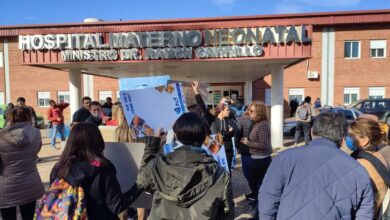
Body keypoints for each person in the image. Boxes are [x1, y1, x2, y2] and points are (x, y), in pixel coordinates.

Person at [258, 112, 374, 220]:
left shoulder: (283, 158)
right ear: (342, 138)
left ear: (312, 131)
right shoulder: (358, 170)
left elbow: (267, 200)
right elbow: (365, 214)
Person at [136, 112, 234, 220]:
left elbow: (142, 182)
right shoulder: (219, 174)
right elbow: (227, 212)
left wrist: (153, 144)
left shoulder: (159, 164)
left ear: (176, 135)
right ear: (203, 137)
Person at [50, 123, 141, 219]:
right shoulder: (103, 169)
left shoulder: (59, 168)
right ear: (98, 141)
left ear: (70, 142)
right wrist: (140, 185)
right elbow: (116, 206)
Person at [0, 106, 44, 220]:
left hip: (6, 185)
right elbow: (36, 151)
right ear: (29, 117)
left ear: (10, 118)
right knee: (28, 216)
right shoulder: (36, 133)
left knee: (8, 217)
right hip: (30, 181)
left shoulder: (1, 136)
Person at [348, 117, 390, 218]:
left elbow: (380, 191)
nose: (348, 139)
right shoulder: (380, 152)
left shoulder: (363, 162)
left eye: (351, 136)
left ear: (365, 140)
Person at [240, 101, 272, 207]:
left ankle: (261, 208)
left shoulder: (262, 125)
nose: (249, 112)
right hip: (256, 159)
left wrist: (248, 143)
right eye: (249, 110)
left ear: (259, 112)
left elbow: (264, 145)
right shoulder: (257, 123)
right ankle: (259, 203)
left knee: (261, 185)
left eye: (252, 111)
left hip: (261, 160)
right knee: (257, 184)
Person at [210, 102, 238, 171]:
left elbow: (234, 132)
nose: (229, 111)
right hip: (219, 152)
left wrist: (228, 133)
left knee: (228, 170)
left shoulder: (229, 121)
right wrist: (228, 132)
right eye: (227, 110)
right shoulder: (214, 122)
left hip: (229, 150)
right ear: (221, 111)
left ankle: (229, 181)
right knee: (220, 171)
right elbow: (216, 138)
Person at [236, 108, 254, 201]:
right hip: (256, 152)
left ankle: (255, 193)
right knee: (255, 174)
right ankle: (256, 192)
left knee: (248, 173)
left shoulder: (242, 120)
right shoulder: (258, 121)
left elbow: (237, 134)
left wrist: (238, 146)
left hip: (246, 151)